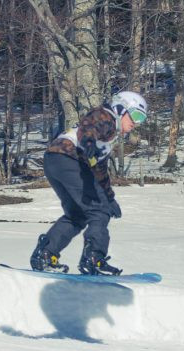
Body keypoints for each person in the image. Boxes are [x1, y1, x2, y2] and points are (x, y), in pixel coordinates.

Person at [30, 91, 148, 275]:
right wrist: (89, 142)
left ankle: (45, 254)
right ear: (121, 108)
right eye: (136, 116)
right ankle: (94, 258)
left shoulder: (108, 137)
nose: (136, 123)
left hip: (55, 160)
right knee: (99, 211)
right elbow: (88, 126)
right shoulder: (107, 116)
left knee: (77, 215)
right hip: (68, 157)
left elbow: (99, 172)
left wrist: (110, 198)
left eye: (142, 119)